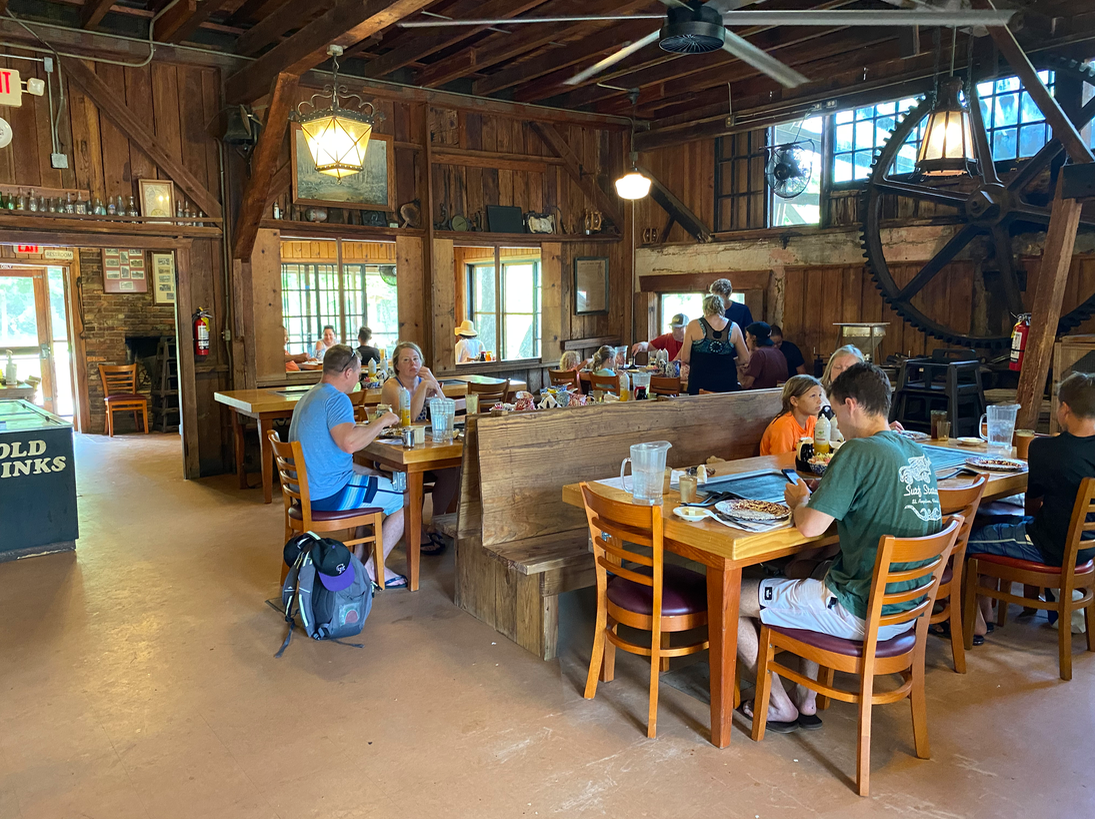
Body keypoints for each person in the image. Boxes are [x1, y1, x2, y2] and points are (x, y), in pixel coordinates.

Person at [736, 362, 941, 732]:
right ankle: (807, 697)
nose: (833, 422)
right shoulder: (916, 453)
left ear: (850, 405)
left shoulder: (858, 451)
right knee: (813, 570)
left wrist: (800, 500)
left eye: (832, 410)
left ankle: (778, 704)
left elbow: (809, 527)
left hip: (859, 611)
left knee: (728, 596)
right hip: (906, 612)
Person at [965, 372, 1095, 643]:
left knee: (965, 541)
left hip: (1047, 546)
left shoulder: (1046, 449)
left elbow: (1032, 496)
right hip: (1087, 548)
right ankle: (987, 609)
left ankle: (973, 620)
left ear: (1065, 409)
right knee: (991, 526)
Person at [288, 345, 407, 588]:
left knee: (375, 479)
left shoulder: (309, 397)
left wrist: (369, 471)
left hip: (306, 493)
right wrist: (383, 421)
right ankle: (375, 568)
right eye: (358, 373)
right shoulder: (337, 399)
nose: (359, 378)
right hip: (329, 494)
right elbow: (349, 443)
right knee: (403, 498)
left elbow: (328, 454)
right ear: (347, 373)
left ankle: (360, 559)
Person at [380, 341, 457, 554]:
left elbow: (445, 410)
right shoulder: (392, 386)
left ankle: (436, 522)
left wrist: (432, 382)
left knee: (451, 471)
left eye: (415, 359)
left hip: (421, 448)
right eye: (406, 360)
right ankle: (416, 532)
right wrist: (424, 387)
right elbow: (410, 419)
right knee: (416, 475)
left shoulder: (425, 382)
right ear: (397, 365)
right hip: (393, 453)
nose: (412, 363)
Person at [821, 345, 903, 432]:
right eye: (838, 367)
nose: (843, 372)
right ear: (829, 370)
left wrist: (883, 430)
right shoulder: (818, 394)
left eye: (849, 369)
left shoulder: (867, 397)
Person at [680, 294, 749, 394]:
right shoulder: (734, 327)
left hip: (699, 383)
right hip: (726, 384)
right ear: (722, 308)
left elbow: (685, 358)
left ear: (704, 308)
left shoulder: (693, 325)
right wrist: (727, 362)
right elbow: (745, 359)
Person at [759, 375, 822, 456]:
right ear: (794, 401)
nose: (820, 401)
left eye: (820, 395)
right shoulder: (783, 426)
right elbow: (782, 462)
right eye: (813, 396)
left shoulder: (812, 420)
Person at [741, 321, 788, 390]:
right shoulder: (778, 352)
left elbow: (746, 384)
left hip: (761, 397)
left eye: (747, 337)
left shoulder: (759, 354)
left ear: (753, 338)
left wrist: (738, 369)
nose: (746, 340)